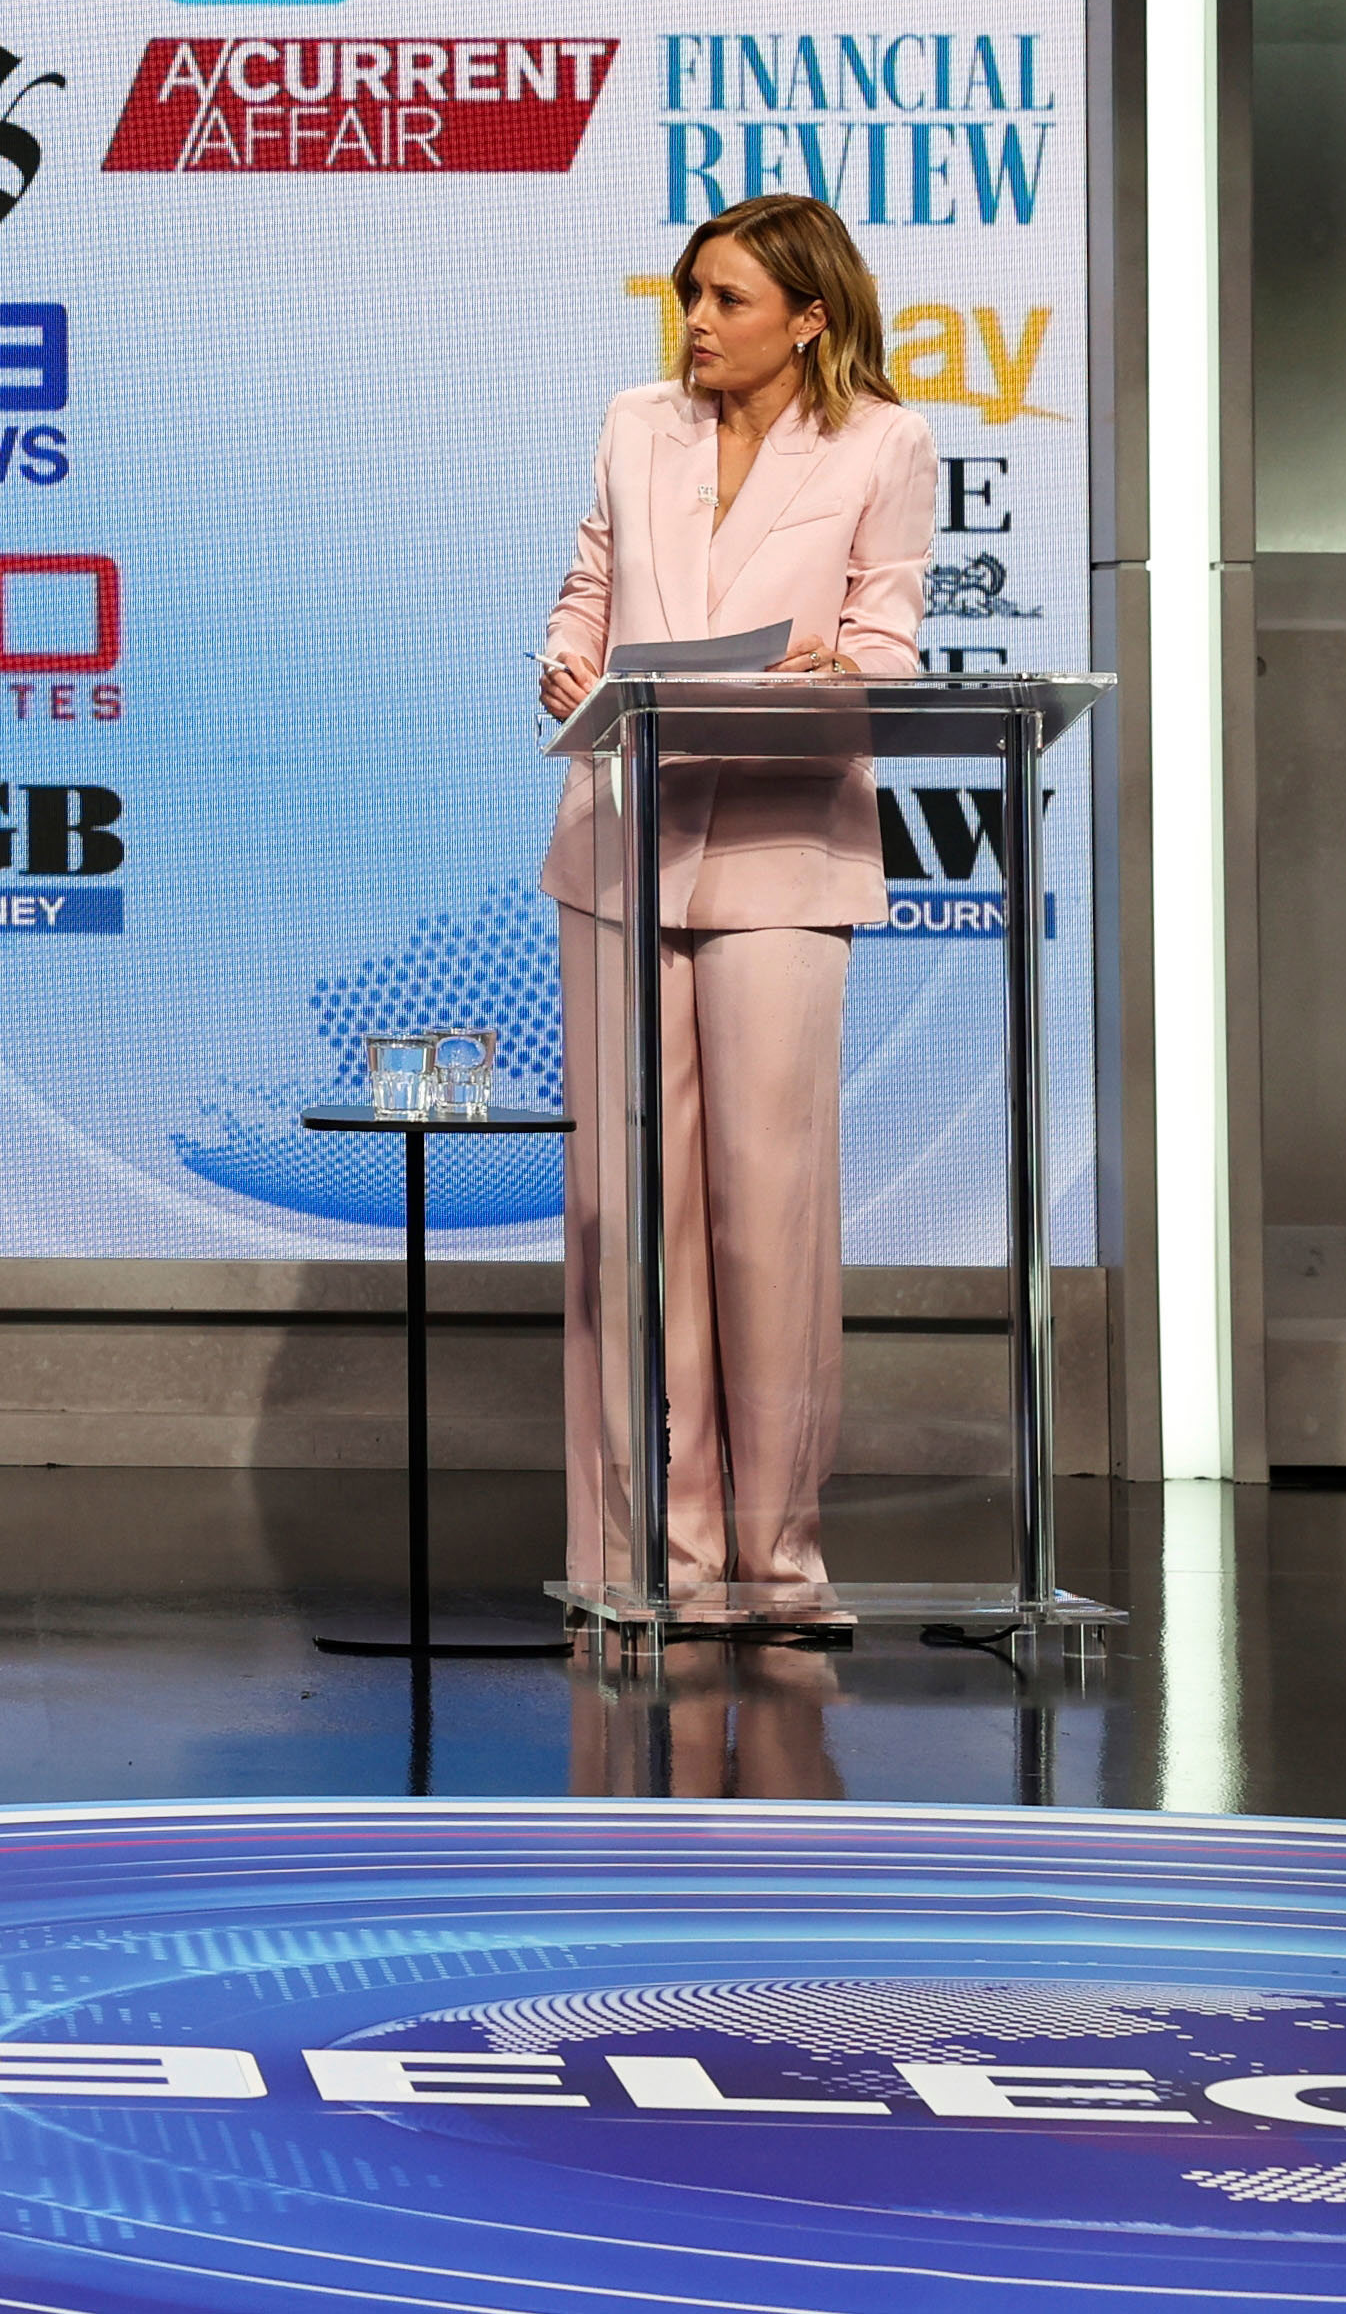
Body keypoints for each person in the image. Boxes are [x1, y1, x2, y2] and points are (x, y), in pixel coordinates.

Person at [531, 191, 930, 1626]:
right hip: (621, 842)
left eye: (729, 301)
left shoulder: (885, 441)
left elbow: (889, 634)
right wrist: (566, 659)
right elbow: (588, 586)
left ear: (810, 316)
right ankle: (639, 1556)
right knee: (624, 1209)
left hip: (779, 846)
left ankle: (773, 1558)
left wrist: (839, 671)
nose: (697, 323)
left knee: (766, 1213)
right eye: (691, 295)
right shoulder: (638, 422)